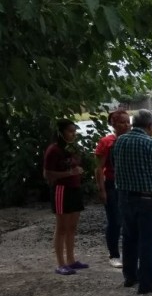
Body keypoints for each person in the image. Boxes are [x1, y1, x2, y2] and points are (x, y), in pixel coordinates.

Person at [113, 109, 152, 294]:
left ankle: (130, 277)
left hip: (124, 197)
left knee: (129, 238)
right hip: (147, 199)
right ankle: (147, 283)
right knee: (148, 242)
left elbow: (116, 165)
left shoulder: (120, 141)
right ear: (150, 126)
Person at [44, 119, 87, 276]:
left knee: (72, 227)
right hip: (61, 190)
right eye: (70, 131)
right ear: (61, 132)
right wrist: (68, 173)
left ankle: (71, 259)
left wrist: (77, 170)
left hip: (75, 189)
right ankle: (60, 263)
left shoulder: (72, 148)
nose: (73, 134)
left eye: (75, 131)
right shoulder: (53, 150)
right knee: (61, 227)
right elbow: (47, 174)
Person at [94, 109, 128, 268]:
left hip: (129, 185)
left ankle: (129, 252)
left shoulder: (130, 139)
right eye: (122, 122)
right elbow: (99, 168)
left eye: (128, 121)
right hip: (112, 185)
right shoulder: (106, 142)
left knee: (129, 220)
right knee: (115, 221)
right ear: (113, 124)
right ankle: (113, 254)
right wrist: (101, 190)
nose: (126, 125)